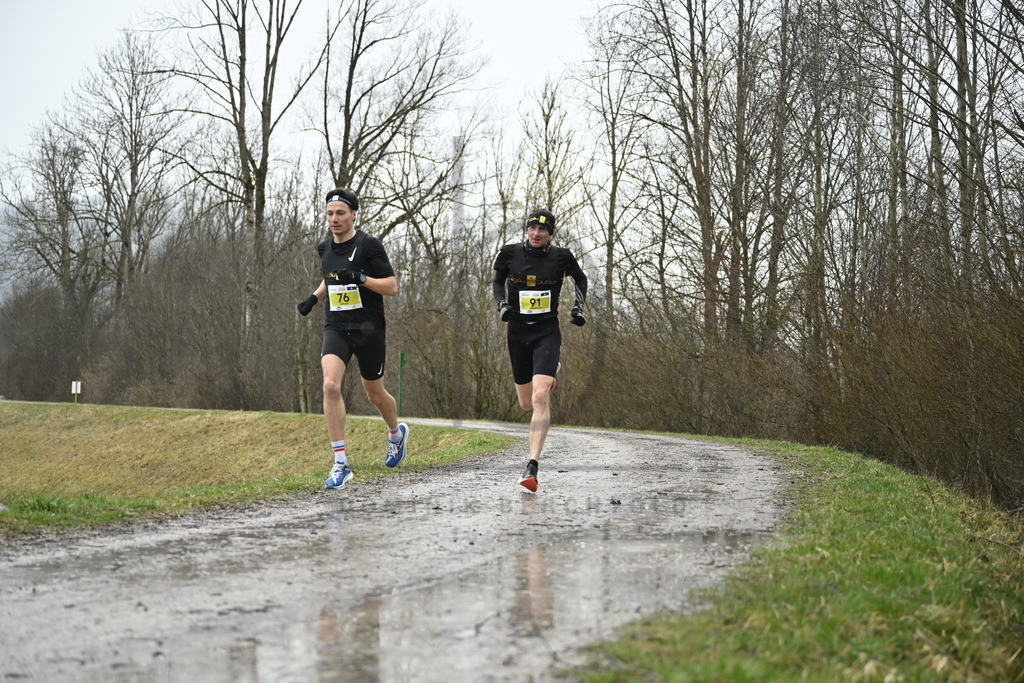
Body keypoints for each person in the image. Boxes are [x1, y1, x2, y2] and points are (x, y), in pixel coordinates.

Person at [297, 187, 409, 490]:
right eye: (330, 213)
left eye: (340, 213)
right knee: (330, 385)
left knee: (375, 394)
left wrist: (361, 278)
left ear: (353, 214)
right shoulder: (324, 248)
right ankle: (341, 463)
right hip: (337, 326)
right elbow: (331, 277)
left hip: (369, 329)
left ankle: (396, 435)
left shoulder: (369, 245)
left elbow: (392, 287)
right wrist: (314, 297)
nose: (334, 219)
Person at [491, 209, 587, 491]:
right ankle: (550, 370)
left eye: (542, 230)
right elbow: (497, 282)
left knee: (541, 395)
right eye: (532, 228)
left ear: (550, 234)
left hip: (547, 331)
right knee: (526, 403)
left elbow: (580, 279)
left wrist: (578, 306)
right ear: (526, 230)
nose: (536, 233)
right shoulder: (509, 254)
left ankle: (532, 465)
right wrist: (502, 305)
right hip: (518, 332)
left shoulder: (561, 257)